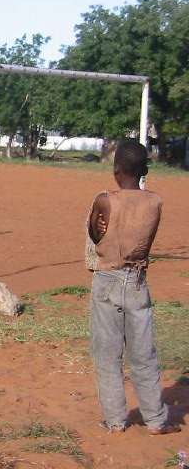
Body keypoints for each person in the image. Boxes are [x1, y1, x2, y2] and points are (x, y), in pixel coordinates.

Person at [86, 140, 180, 435]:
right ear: (145, 171)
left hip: (107, 281)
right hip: (138, 282)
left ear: (116, 170)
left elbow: (94, 233)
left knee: (107, 355)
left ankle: (115, 421)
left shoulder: (104, 199)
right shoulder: (155, 201)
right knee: (144, 355)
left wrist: (98, 225)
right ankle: (156, 421)